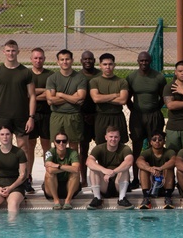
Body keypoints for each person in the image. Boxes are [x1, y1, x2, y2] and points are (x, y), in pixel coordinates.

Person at [0, 40, 36, 193]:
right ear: (4, 52)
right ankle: (2, 179)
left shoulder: (26, 72)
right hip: (3, 117)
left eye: (13, 51)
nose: (11, 53)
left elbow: (32, 95)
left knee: (23, 148)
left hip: (21, 116)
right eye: (8, 51)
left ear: (18, 52)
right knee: (5, 147)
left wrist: (31, 117)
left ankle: (26, 179)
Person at [45, 49, 87, 183]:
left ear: (72, 61)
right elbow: (50, 100)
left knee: (74, 147)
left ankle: (74, 176)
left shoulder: (79, 78)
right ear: (58, 62)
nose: (65, 62)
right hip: (57, 115)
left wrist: (61, 94)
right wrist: (71, 97)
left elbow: (80, 98)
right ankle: (57, 175)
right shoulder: (52, 78)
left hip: (73, 116)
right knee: (57, 145)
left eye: (67, 59)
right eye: (62, 59)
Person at [127, 51, 166, 161]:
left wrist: (155, 109)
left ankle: (153, 174)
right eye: (142, 61)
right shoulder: (131, 77)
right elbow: (127, 98)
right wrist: (134, 110)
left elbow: (163, 96)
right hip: (137, 116)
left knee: (155, 145)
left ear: (150, 61)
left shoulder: (159, 77)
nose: (144, 63)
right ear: (138, 61)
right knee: (136, 146)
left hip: (153, 115)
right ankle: (135, 177)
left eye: (146, 60)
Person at [86, 124, 135, 209]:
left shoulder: (125, 148)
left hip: (118, 183)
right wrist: (104, 170)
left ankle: (122, 198)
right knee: (93, 169)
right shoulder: (99, 148)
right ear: (106, 137)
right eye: (111, 137)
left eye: (116, 137)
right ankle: (97, 198)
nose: (113, 139)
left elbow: (129, 161)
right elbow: (89, 161)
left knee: (125, 169)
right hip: (104, 182)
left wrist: (113, 172)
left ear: (119, 138)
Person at [0, 125, 27, 216]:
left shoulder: (19, 152)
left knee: (13, 204)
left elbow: (23, 175)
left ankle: (11, 229)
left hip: (15, 185)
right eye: (2, 134)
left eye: (7, 134)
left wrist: (10, 187)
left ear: (11, 135)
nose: (5, 137)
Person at [25, 47, 53, 193]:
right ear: (31, 59)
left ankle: (48, 177)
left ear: (44, 59)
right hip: (31, 115)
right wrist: (43, 91)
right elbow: (24, 94)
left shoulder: (50, 75)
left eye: (40, 58)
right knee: (30, 146)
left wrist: (33, 94)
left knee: (46, 146)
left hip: (47, 114)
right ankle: (28, 177)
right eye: (35, 58)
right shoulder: (26, 74)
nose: (38, 60)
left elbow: (51, 94)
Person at [89, 52, 130, 145]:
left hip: (117, 116)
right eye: (105, 64)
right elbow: (96, 99)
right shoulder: (95, 81)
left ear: (114, 65)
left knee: (119, 145)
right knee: (101, 145)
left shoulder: (122, 81)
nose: (108, 67)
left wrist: (103, 97)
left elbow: (123, 100)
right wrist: (115, 95)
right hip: (101, 117)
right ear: (100, 66)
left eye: (110, 64)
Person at [135, 132, 177, 209]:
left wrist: (161, 168)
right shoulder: (147, 152)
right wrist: (150, 169)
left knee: (169, 166)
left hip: (165, 185)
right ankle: (146, 197)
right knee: (144, 167)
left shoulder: (169, 152)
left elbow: (174, 161)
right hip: (151, 185)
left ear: (164, 141)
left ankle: (168, 197)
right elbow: (138, 161)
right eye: (154, 139)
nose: (157, 141)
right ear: (151, 142)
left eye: (160, 139)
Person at [77, 50, 100, 183]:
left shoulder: (99, 75)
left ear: (94, 60)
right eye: (85, 59)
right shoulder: (77, 76)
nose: (87, 61)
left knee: (101, 147)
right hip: (82, 116)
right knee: (83, 148)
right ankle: (83, 178)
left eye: (90, 59)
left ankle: (102, 175)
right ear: (81, 61)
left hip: (98, 116)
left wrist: (95, 114)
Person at [43, 130, 81, 209]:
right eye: (58, 141)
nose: (61, 143)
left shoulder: (72, 153)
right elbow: (50, 170)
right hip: (52, 188)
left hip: (69, 187)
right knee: (49, 174)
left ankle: (68, 201)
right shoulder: (50, 152)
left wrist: (58, 166)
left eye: (64, 141)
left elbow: (76, 169)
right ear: (54, 142)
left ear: (67, 142)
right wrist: (67, 167)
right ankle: (56, 201)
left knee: (76, 173)